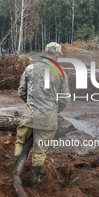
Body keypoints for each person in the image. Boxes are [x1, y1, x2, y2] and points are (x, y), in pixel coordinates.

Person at [13, 42, 70, 186]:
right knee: (39, 151)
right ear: (57, 54)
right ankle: (34, 179)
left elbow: (21, 92)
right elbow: (64, 99)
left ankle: (15, 172)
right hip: (48, 118)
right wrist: (53, 111)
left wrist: (31, 104)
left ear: (45, 53)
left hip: (30, 115)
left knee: (20, 142)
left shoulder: (30, 68)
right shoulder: (61, 73)